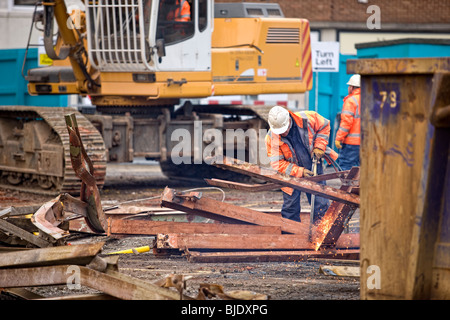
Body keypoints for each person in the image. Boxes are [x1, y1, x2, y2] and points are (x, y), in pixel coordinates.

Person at [265, 106, 338, 223]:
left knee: (320, 203)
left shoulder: (307, 118)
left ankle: (321, 233)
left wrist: (319, 146)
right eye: (280, 131)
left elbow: (324, 126)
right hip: (290, 174)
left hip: (313, 164)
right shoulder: (271, 138)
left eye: (284, 129)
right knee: (290, 207)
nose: (283, 133)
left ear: (289, 120)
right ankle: (290, 234)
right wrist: (300, 172)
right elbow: (278, 164)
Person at [335, 74, 361, 170]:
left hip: (352, 144)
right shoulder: (369, 99)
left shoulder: (351, 101)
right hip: (367, 143)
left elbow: (346, 123)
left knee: (346, 168)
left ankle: (350, 185)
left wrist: (339, 138)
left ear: (352, 87)